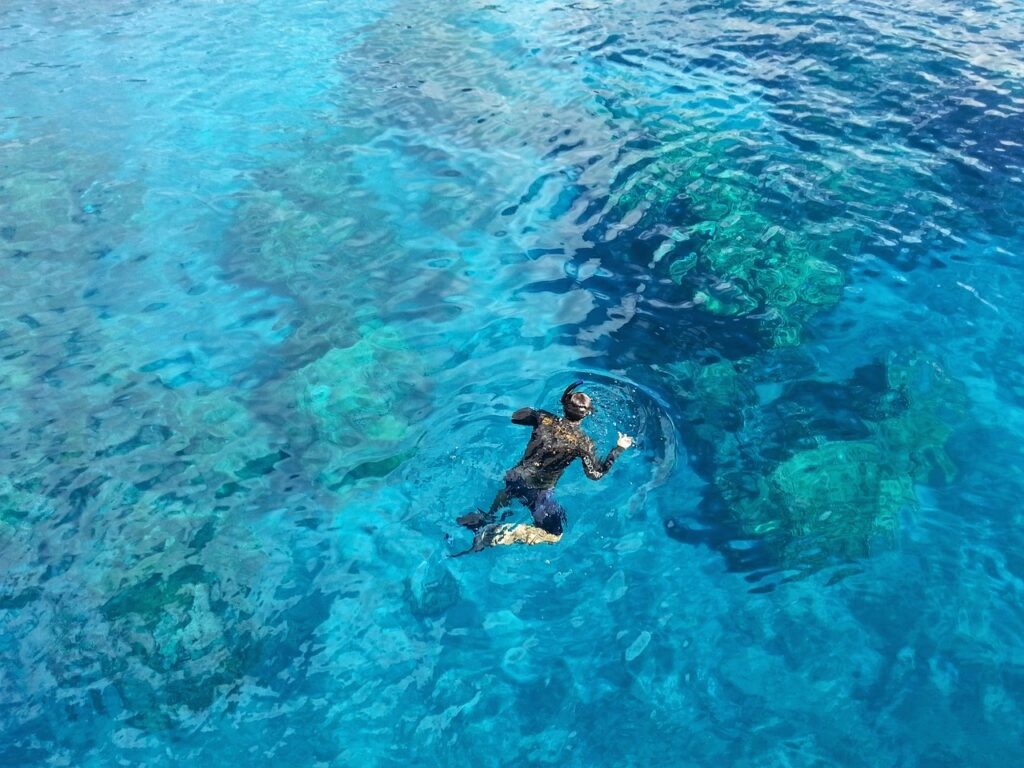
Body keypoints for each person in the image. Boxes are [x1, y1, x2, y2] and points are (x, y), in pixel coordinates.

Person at [452, 381, 633, 556]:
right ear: (586, 415)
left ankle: (484, 518)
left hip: (514, 476)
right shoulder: (583, 442)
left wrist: (537, 413)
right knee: (554, 535)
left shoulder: (544, 418)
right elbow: (595, 474)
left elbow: (516, 416)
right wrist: (618, 449)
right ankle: (494, 534)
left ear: (564, 405)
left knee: (509, 492)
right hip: (538, 491)